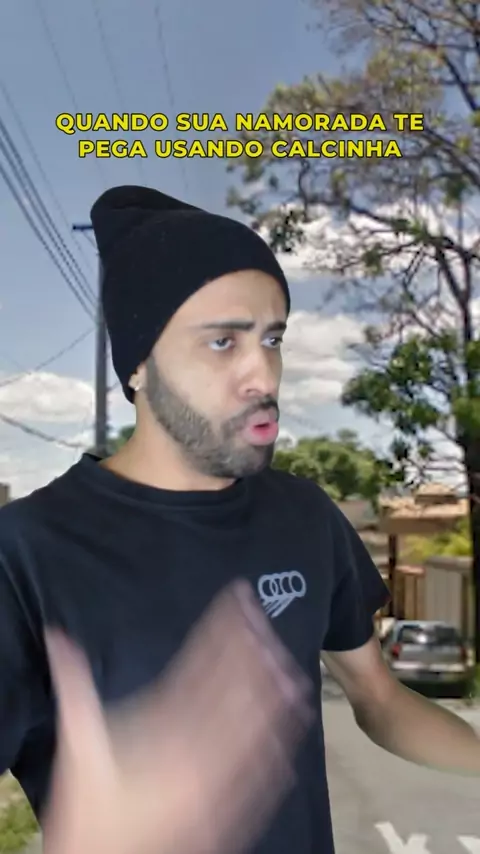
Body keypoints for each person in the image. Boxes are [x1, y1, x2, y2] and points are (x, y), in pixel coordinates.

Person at [0, 185, 478, 854]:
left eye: (272, 338)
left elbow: (380, 700)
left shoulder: (305, 517)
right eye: (223, 341)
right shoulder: (25, 555)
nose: (264, 375)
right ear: (139, 366)